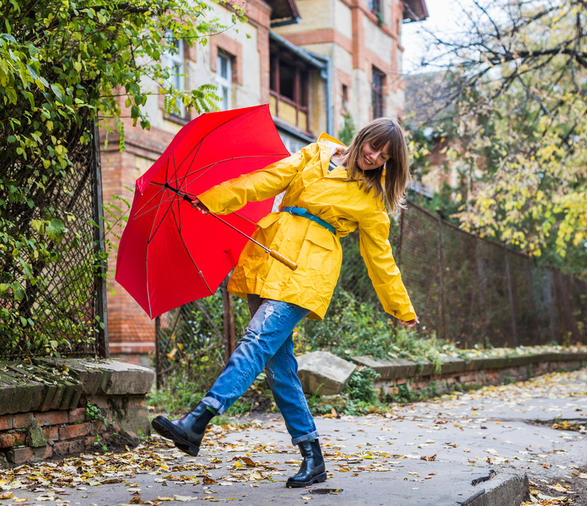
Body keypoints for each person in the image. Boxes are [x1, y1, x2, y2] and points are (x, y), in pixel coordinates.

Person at [151, 117, 418, 488]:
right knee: (279, 368)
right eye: (373, 146)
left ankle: (199, 418)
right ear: (362, 138)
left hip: (310, 269)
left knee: (257, 340)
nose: (374, 157)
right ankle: (313, 456)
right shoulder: (317, 153)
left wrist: (400, 307)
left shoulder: (371, 199)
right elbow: (266, 179)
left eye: (385, 157)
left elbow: (380, 258)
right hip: (270, 255)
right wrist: (213, 199)